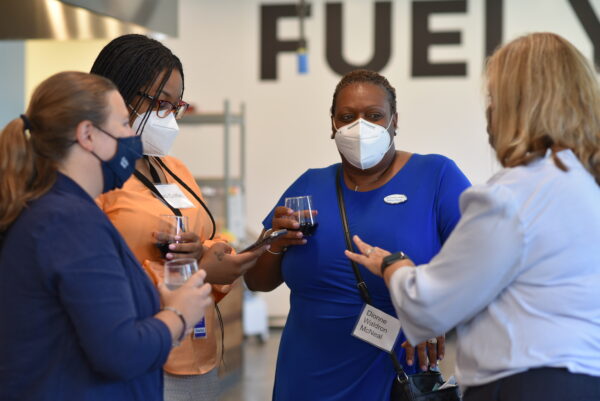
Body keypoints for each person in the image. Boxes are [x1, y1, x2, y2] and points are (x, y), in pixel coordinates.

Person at [346, 33, 600, 401]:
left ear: (518, 107)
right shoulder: (583, 182)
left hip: (524, 383)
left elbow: (428, 306)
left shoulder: (512, 196)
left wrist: (393, 265)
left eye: (494, 99)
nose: (489, 113)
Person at [244, 69, 471, 400]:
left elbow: (478, 264)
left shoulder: (436, 176)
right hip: (304, 375)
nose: (360, 127)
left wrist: (435, 315)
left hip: (393, 373)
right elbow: (256, 281)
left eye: (374, 115)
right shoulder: (309, 185)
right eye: (347, 117)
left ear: (394, 121)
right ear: (332, 125)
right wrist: (276, 243)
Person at [0, 71, 212, 401]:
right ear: (87, 135)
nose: (132, 136)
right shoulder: (69, 222)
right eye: (124, 124)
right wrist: (179, 315)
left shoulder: (54, 210)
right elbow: (121, 352)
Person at [91, 34, 264, 401]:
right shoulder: (96, 175)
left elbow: (206, 235)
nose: (168, 117)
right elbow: (92, 275)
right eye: (160, 103)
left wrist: (210, 253)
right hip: (139, 354)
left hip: (197, 350)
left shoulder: (174, 169)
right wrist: (198, 272)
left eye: (176, 105)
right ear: (118, 95)